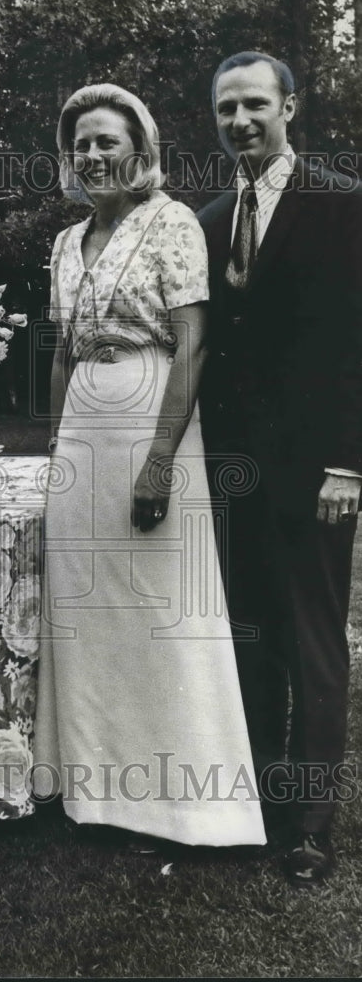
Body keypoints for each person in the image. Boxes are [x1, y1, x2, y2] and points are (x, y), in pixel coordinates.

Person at [33, 84, 265, 849]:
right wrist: (57, 450)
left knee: (159, 611)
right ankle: (95, 793)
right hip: (84, 428)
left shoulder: (171, 223)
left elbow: (192, 344)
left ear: (140, 150)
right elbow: (65, 352)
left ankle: (180, 804)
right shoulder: (67, 243)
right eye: (82, 145)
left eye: (108, 141)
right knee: (89, 607)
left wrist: (161, 461)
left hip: (151, 416)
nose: (94, 156)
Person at [198, 51, 362, 886]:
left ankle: (310, 824)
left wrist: (348, 465)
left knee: (311, 643)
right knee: (252, 639)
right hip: (235, 473)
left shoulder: (341, 205)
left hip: (315, 472)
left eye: (256, 105)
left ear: (290, 108)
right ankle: (258, 806)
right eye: (227, 110)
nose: (241, 122)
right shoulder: (212, 214)